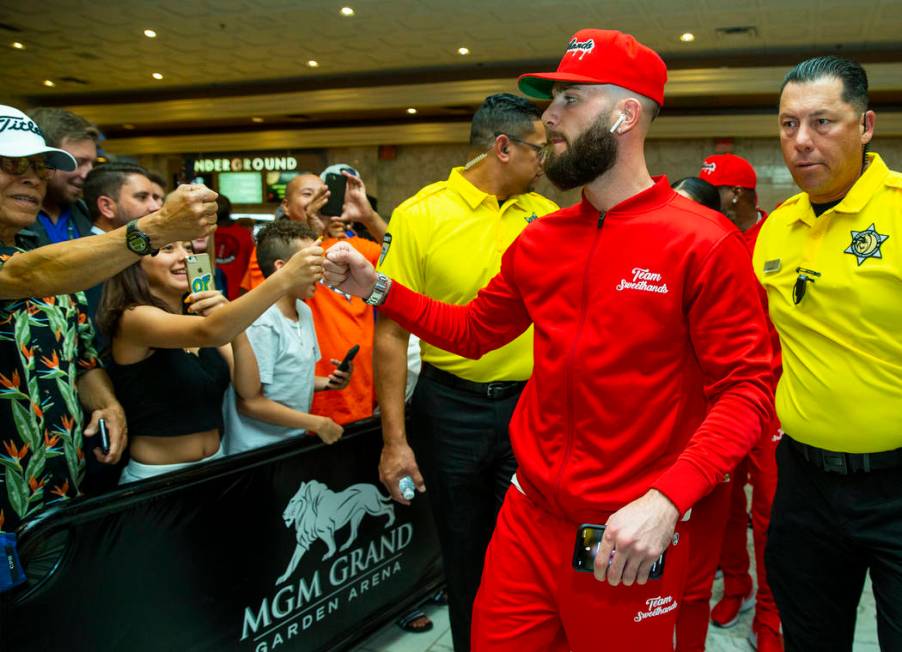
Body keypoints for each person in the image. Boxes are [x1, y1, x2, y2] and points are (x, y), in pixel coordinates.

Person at [326, 29, 774, 651]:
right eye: (550, 101)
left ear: (625, 114)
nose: (549, 118)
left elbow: (748, 389)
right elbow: (475, 331)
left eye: (569, 99)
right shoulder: (542, 240)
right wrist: (379, 289)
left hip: (627, 531)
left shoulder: (702, 242)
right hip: (528, 517)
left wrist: (669, 499)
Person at [374, 92, 557, 651]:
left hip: (531, 406)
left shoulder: (545, 217)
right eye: (538, 151)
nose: (545, 163)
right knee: (463, 555)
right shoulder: (419, 215)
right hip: (449, 409)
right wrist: (394, 442)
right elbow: (389, 332)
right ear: (503, 147)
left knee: (527, 553)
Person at [0, 106, 218, 532]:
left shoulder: (37, 246)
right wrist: (156, 228)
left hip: (56, 495)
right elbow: (25, 276)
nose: (33, 179)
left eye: (39, 169)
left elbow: (81, 355)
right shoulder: (40, 264)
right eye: (11, 167)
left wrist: (107, 403)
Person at [754, 55, 901, 652]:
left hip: (897, 483)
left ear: (865, 126)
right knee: (811, 638)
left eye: (823, 122)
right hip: (805, 484)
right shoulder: (776, 228)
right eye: (789, 125)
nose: (802, 142)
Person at [96, 224, 323, 483]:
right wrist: (282, 280)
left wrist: (235, 331)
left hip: (214, 465)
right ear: (134, 263)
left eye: (189, 247)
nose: (184, 257)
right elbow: (209, 331)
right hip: (158, 478)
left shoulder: (200, 318)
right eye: (168, 248)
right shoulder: (134, 318)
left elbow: (248, 389)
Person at [696, 153, 783, 652]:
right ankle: (737, 586)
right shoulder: (710, 237)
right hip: (720, 398)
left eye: (713, 195)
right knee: (724, 506)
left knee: (770, 511)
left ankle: (770, 613)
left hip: (772, 399)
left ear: (735, 195)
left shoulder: (777, 237)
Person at [223, 220, 348, 454]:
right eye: (311, 263)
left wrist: (329, 383)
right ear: (282, 267)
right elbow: (250, 402)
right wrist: (315, 423)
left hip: (288, 443)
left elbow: (286, 381)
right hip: (255, 450)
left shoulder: (304, 310)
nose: (320, 272)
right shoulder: (262, 320)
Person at [308, 166, 387, 427]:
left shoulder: (360, 247)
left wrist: (369, 216)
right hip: (315, 390)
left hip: (361, 383)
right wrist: (312, 228)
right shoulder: (294, 248)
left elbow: (399, 251)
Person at [26, 108, 98, 245]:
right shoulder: (11, 215)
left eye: (92, 163)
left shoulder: (88, 213)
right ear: (44, 158)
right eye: (78, 162)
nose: (88, 174)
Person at [213, 194, 254, 299]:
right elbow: (251, 268)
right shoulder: (244, 234)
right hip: (238, 296)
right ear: (231, 210)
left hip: (209, 293)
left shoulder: (203, 234)